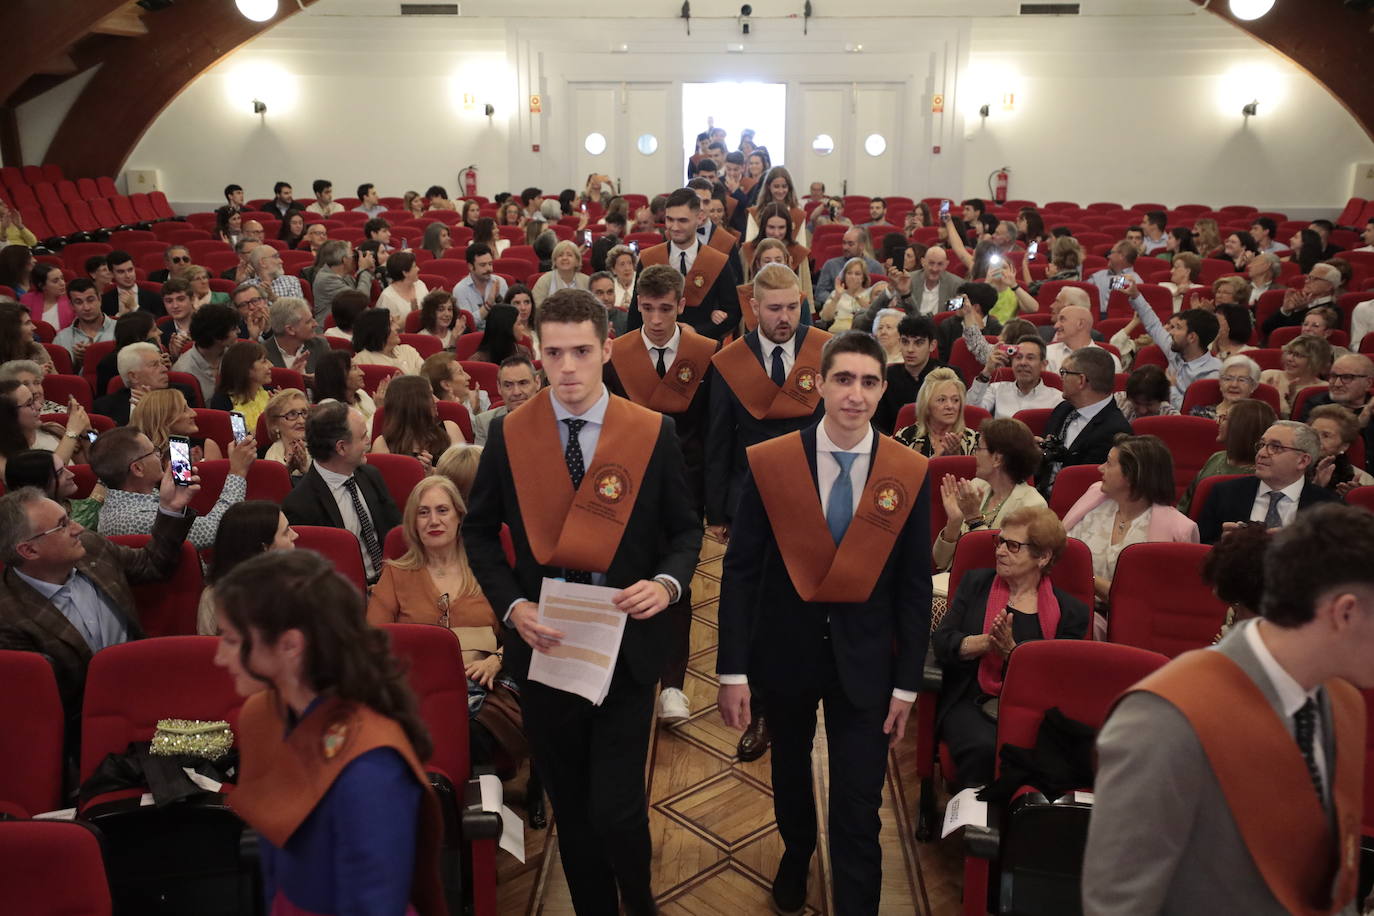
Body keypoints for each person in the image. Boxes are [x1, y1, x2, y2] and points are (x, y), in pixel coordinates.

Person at [464, 288, 701, 916]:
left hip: (625, 643)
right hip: (545, 646)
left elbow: (684, 531)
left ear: (606, 351)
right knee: (571, 803)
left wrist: (668, 584)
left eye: (581, 352)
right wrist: (513, 607)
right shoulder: (511, 433)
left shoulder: (651, 432)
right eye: (553, 352)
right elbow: (479, 533)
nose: (567, 367)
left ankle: (641, 904)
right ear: (537, 353)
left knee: (618, 807)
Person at [712, 329, 930, 915]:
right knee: (788, 773)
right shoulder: (774, 463)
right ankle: (797, 849)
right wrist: (731, 668)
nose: (854, 395)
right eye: (842, 379)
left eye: (867, 382)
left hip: (866, 663)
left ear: (883, 389)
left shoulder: (909, 471)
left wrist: (907, 683)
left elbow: (913, 587)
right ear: (819, 384)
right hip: (785, 652)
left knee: (859, 804)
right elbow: (741, 571)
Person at [1083, 503, 1374, 916]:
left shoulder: (1344, 704)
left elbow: (1332, 882)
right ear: (1344, 613)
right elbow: (1118, 905)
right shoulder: (1166, 716)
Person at [215, 550, 444, 916]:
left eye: (230, 639)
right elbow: (275, 860)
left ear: (290, 645)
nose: (219, 657)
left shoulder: (371, 764)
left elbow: (373, 904)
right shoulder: (264, 716)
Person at [0, 467, 198, 736]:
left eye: (68, 518)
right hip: (89, 725)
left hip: (151, 683)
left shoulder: (90, 547)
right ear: (29, 550)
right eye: (62, 526)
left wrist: (170, 508)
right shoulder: (8, 618)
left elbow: (152, 565)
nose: (78, 528)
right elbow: (47, 704)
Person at [605, 264, 717, 723]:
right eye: (647, 309)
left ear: (681, 305)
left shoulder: (705, 354)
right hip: (622, 484)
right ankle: (625, 678)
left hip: (684, 484)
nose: (654, 319)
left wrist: (713, 500)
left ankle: (673, 685)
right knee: (623, 579)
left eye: (665, 309)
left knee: (676, 583)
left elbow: (713, 430)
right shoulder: (616, 355)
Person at [933, 506, 1090, 788]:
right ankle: (977, 826)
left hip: (1037, 711)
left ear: (1043, 557)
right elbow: (942, 641)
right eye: (1000, 541)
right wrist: (985, 643)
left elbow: (1064, 681)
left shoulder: (1071, 612)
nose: (1000, 551)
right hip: (971, 702)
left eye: (1013, 546)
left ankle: (1022, 827)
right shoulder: (975, 584)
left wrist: (1013, 654)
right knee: (985, 748)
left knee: (1046, 756)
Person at [1064, 434, 1199, 607]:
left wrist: (1086, 578)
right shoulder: (1094, 497)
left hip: (1135, 622)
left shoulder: (1181, 530)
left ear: (1132, 474)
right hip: (1072, 608)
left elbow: (1161, 599)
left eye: (1109, 463)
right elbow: (1061, 550)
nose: (1100, 468)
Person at [282, 400, 402, 585]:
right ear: (341, 448)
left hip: (391, 583)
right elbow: (311, 577)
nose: (369, 442)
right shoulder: (300, 505)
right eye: (362, 437)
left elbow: (396, 532)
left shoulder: (371, 476)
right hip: (346, 597)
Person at [94, 422, 253, 549]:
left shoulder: (136, 498)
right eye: (154, 452)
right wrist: (238, 471)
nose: (160, 456)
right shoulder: (134, 519)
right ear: (137, 468)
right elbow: (213, 530)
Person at [1197, 420, 1341, 544]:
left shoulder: (1330, 508)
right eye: (1261, 445)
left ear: (1303, 461)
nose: (1262, 453)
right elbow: (1201, 550)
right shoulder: (1224, 493)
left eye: (1275, 447)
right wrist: (1224, 546)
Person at [933, 418, 1046, 571]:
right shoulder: (977, 486)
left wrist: (974, 519)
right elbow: (941, 561)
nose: (975, 455)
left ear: (997, 459)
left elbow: (998, 565)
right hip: (959, 583)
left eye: (979, 448)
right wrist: (954, 521)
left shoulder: (1031, 505)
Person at [1039, 347, 1134, 495]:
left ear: (1081, 380)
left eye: (1064, 372)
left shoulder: (1116, 432)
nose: (1061, 378)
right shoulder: (1063, 409)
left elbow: (1086, 486)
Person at [196, 500, 297, 635]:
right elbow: (209, 652)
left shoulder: (303, 586)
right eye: (286, 532)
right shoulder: (214, 599)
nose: (295, 535)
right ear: (264, 548)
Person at [1124, 277, 1221, 407]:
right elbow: (1154, 325)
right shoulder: (1175, 350)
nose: (1171, 332)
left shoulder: (1213, 372)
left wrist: (1172, 388)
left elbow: (1191, 412)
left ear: (1192, 337)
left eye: (1178, 328)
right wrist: (1136, 295)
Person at [1178, 398, 1276, 515]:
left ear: (1240, 427)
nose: (1217, 422)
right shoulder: (1217, 458)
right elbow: (1184, 506)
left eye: (1224, 418)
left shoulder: (1260, 474)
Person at [873, 315, 955, 435]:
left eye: (918, 343)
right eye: (905, 342)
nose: (910, 349)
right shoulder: (886, 376)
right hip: (894, 444)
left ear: (932, 345)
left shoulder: (949, 376)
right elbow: (877, 423)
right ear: (899, 342)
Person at [372, 374, 465, 464]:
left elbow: (464, 472)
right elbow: (383, 479)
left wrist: (432, 472)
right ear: (413, 404)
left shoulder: (450, 429)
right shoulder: (382, 444)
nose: (437, 400)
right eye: (429, 395)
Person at [967, 332, 1062, 418]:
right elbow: (971, 412)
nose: (1023, 363)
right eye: (1018, 357)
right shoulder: (996, 389)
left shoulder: (1057, 399)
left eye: (1030, 358)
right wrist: (987, 371)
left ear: (1043, 365)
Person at [894, 368, 979, 457]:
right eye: (942, 400)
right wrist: (938, 458)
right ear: (926, 405)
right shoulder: (906, 437)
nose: (950, 406)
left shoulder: (974, 440)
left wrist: (956, 458)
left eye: (955, 400)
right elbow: (896, 470)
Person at [171, 302, 239, 407]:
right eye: (234, 329)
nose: (239, 331)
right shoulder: (183, 371)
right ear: (218, 336)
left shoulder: (235, 355)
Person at [132, 387, 224, 462]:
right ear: (164, 419)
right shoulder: (141, 457)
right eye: (184, 410)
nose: (194, 414)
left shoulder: (207, 447)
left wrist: (197, 468)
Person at [1044, 292, 1122, 373]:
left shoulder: (1110, 361)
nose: (1056, 326)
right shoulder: (1046, 354)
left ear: (1080, 324)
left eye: (1062, 320)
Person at [471, 355, 538, 446]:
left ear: (537, 383)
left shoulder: (555, 417)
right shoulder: (485, 422)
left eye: (523, 383)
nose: (516, 392)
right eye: (508, 385)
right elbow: (480, 459)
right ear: (499, 388)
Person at [1260, 333, 1331, 418]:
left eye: (1298, 355)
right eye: (1289, 352)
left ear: (1314, 361)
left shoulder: (1322, 389)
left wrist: (1289, 399)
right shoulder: (1268, 376)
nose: (1290, 359)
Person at [1261, 262, 1342, 337]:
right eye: (1308, 277)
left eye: (1315, 279)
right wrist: (1285, 310)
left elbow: (1300, 335)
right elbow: (1266, 329)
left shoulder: (1333, 311)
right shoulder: (1296, 301)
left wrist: (1299, 311)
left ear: (1329, 286)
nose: (1307, 281)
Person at [1309, 404, 1374, 494]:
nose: (1316, 439)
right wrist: (1316, 487)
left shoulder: (1363, 480)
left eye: (1326, 435)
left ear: (1344, 446)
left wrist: (1354, 497)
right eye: (1313, 432)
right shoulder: (1290, 467)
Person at [310, 240, 377, 325]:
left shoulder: (345, 275)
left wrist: (367, 270)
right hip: (330, 330)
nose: (355, 259)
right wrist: (364, 270)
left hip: (348, 324)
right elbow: (360, 301)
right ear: (345, 260)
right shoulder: (326, 279)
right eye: (353, 256)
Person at [52, 279, 116, 366]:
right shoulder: (61, 339)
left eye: (90, 300)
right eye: (79, 302)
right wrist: (77, 362)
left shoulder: (121, 329)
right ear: (71, 306)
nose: (86, 307)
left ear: (100, 299)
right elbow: (60, 376)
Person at [312, 349, 379, 425]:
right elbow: (358, 434)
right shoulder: (329, 408)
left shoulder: (360, 393)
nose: (362, 373)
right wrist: (379, 410)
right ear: (337, 375)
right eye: (354, 368)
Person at [352, 308, 424, 377]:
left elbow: (427, 376)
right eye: (391, 324)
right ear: (378, 330)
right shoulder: (363, 360)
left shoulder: (408, 350)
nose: (398, 327)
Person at [452, 243, 508, 330]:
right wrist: (488, 305)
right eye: (483, 265)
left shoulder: (500, 282)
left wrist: (498, 299)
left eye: (490, 264)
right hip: (472, 337)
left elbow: (508, 317)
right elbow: (466, 324)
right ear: (471, 266)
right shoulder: (460, 290)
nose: (489, 269)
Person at [1190, 354, 1262, 420]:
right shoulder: (1200, 416)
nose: (1234, 385)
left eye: (1242, 380)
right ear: (1220, 383)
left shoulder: (1260, 420)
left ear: (1253, 386)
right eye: (1228, 379)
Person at [261, 387, 312, 478]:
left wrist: (306, 470)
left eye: (304, 413)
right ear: (274, 424)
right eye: (292, 414)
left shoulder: (324, 452)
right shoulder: (268, 457)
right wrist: (286, 473)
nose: (301, 420)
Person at [100, 251, 164, 318]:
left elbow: (158, 323)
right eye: (121, 272)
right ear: (112, 274)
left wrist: (135, 307)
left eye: (130, 270)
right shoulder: (104, 301)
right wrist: (118, 316)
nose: (128, 276)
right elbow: (103, 327)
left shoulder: (155, 298)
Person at [421, 351, 488, 416]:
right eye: (460, 372)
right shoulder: (433, 412)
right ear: (446, 385)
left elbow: (487, 427)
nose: (469, 377)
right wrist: (456, 411)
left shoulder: (481, 398)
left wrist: (478, 411)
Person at [377, 251, 430, 324]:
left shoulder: (420, 284)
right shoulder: (387, 297)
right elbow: (388, 328)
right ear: (405, 272)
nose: (418, 269)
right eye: (414, 266)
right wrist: (413, 315)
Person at [21, 262, 73, 330]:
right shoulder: (27, 300)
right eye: (55, 281)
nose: (63, 283)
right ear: (42, 286)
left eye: (62, 278)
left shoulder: (72, 299)